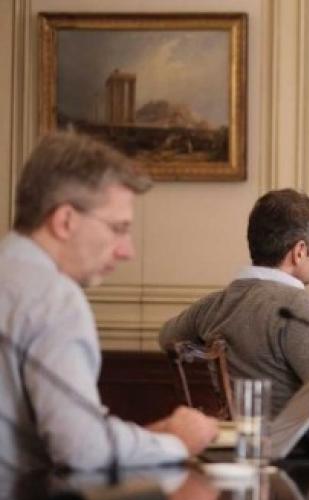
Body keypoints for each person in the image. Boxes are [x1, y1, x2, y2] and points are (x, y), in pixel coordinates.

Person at [0, 132, 218, 472]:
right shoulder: (54, 299)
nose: (127, 251)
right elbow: (81, 449)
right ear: (65, 221)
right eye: (118, 228)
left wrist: (145, 440)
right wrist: (178, 441)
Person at [159, 189, 309, 442]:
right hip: (300, 452)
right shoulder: (295, 305)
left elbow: (166, 338)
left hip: (241, 446)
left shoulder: (213, 305)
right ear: (299, 251)